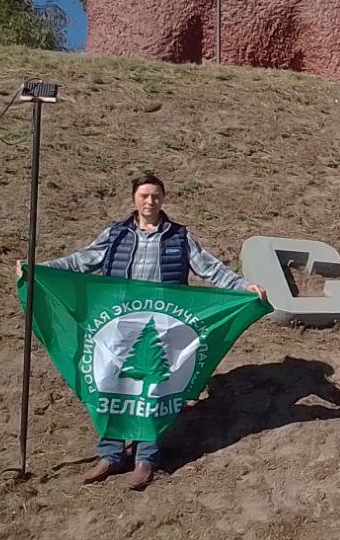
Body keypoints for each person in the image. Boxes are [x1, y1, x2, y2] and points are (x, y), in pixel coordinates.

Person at [18, 172, 266, 490]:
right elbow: (82, 261)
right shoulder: (116, 234)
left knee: (152, 390)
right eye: (144, 196)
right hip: (119, 325)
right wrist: (38, 269)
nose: (150, 201)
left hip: (161, 327)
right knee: (112, 385)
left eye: (156, 196)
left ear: (163, 199)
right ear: (134, 198)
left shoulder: (179, 236)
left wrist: (244, 286)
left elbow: (211, 269)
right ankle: (110, 454)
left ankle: (146, 458)